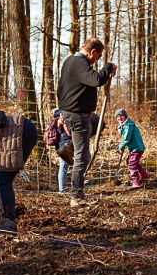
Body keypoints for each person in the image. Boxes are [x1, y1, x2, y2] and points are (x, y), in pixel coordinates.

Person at [56, 37, 117, 207]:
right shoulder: (80, 63)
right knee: (83, 157)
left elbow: (61, 89)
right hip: (77, 115)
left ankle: (70, 147)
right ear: (92, 52)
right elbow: (96, 80)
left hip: (78, 113)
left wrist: (62, 110)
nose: (97, 59)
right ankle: (76, 195)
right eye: (98, 56)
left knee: (99, 124)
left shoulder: (70, 61)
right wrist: (107, 67)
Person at [115, 108, 148, 188]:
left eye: (121, 116)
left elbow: (127, 138)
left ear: (125, 116)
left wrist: (121, 146)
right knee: (130, 161)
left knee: (132, 164)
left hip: (137, 148)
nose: (119, 118)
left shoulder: (128, 125)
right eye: (117, 117)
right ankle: (144, 174)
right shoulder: (124, 125)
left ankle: (135, 182)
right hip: (135, 147)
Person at [53, 108, 72, 193]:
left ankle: (63, 188)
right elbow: (69, 133)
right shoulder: (63, 118)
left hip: (61, 145)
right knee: (64, 167)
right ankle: (62, 189)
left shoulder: (59, 118)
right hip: (65, 145)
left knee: (64, 167)